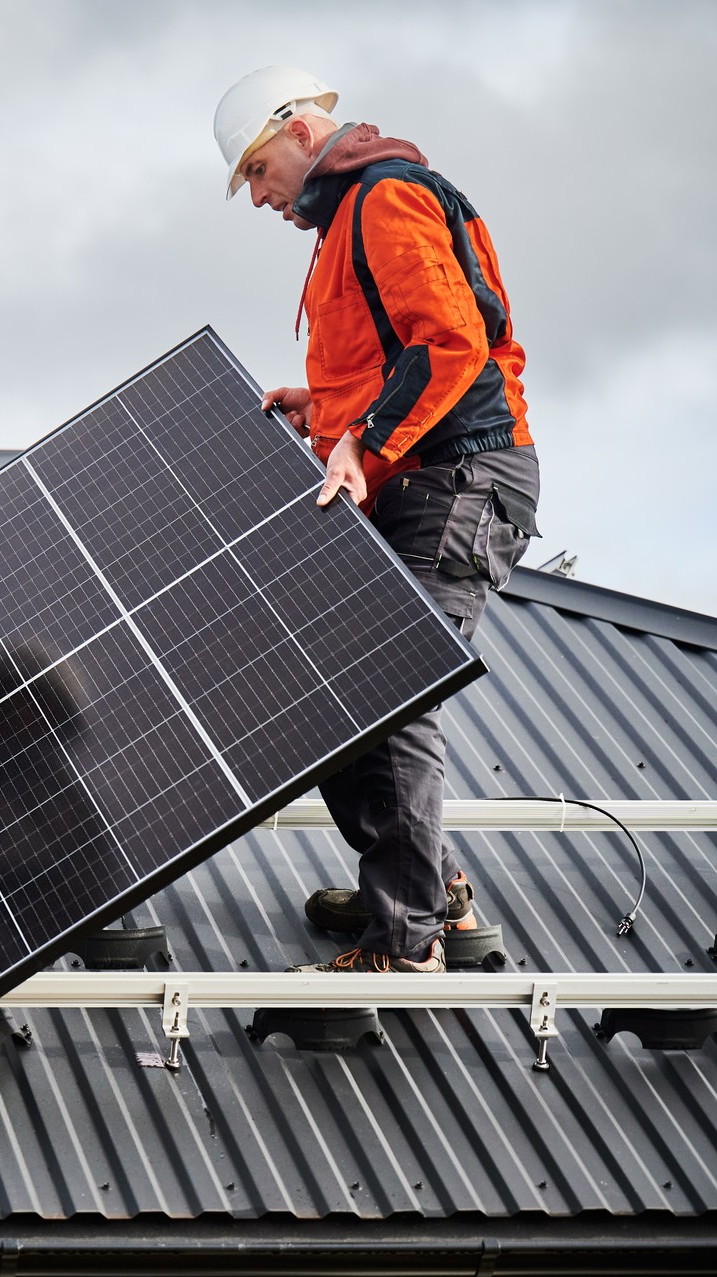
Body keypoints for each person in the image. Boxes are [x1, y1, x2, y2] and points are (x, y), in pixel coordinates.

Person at [214, 67, 542, 973]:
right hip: (415, 475)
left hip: (459, 478)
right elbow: (389, 358)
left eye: (255, 171)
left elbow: (450, 343)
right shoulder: (344, 221)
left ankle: (406, 938)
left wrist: (358, 437)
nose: (258, 198)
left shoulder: (387, 195)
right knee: (333, 696)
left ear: (298, 131)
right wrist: (322, 407)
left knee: (390, 690)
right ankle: (432, 887)